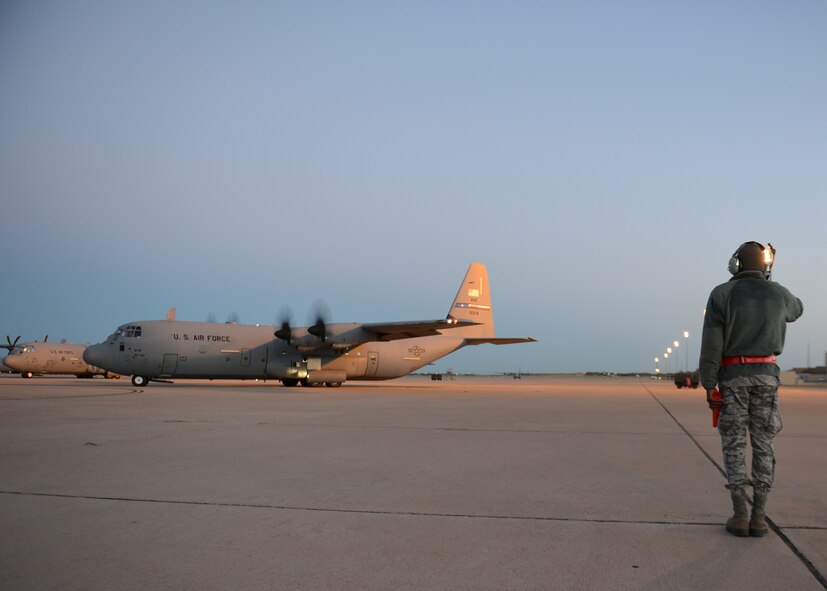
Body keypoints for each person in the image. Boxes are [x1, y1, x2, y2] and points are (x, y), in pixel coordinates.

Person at [699, 241, 803, 537]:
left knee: (734, 444)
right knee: (763, 444)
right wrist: (769, 278)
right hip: (767, 379)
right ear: (764, 265)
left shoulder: (722, 294)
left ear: (736, 265)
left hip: (733, 377)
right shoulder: (778, 292)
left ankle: (739, 515)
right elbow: (797, 309)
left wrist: (709, 383)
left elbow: (712, 343)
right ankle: (759, 517)